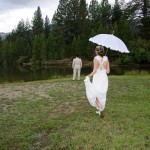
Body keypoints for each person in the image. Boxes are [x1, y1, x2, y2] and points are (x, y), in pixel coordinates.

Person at [84, 45, 110, 118]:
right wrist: (104, 67)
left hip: (97, 78)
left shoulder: (95, 58)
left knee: (95, 93)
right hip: (104, 78)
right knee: (101, 94)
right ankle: (100, 109)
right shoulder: (106, 59)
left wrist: (88, 76)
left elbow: (95, 71)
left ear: (96, 51)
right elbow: (108, 71)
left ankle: (100, 109)